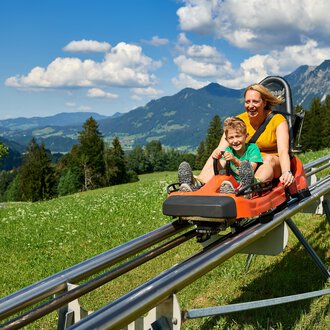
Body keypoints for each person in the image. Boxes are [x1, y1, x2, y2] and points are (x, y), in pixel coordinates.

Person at [195, 83, 295, 188]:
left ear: (264, 102)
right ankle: (200, 182)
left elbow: (283, 151)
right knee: (221, 157)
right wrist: (204, 173)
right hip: (246, 164)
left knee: (268, 159)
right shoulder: (239, 121)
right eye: (247, 102)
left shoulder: (277, 120)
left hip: (273, 165)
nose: (250, 106)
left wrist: (286, 172)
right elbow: (220, 148)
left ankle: (251, 185)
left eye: (255, 101)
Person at [178, 116, 263, 193]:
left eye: (238, 136)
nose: (235, 141)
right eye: (231, 138)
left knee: (242, 176)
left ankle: (242, 189)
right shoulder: (228, 150)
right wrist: (217, 160)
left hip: (250, 182)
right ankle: (192, 186)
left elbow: (250, 169)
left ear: (246, 136)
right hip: (233, 182)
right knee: (222, 180)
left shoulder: (252, 148)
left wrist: (235, 160)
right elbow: (221, 169)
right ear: (226, 139)